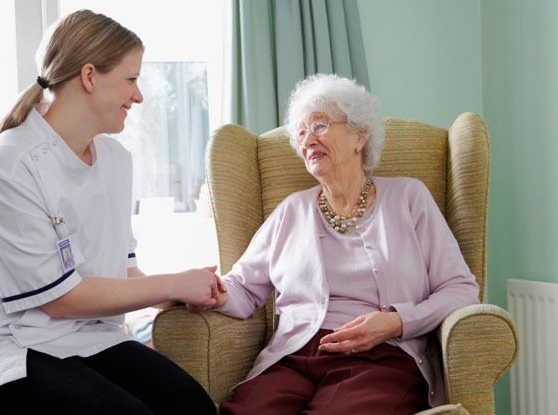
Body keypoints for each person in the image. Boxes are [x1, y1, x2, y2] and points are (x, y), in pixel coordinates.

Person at [0, 10, 218, 415]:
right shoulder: (7, 165)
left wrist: (176, 296)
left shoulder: (116, 160)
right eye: (131, 79)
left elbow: (122, 271)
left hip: (83, 337)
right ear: (88, 76)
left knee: (191, 407)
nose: (139, 96)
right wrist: (173, 285)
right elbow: (59, 299)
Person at [189, 74, 480, 414]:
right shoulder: (291, 211)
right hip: (294, 355)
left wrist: (396, 322)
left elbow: (461, 288)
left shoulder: (408, 197)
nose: (307, 139)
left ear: (359, 135)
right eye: (300, 133)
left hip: (381, 355)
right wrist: (213, 292)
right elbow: (243, 287)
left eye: (321, 125)